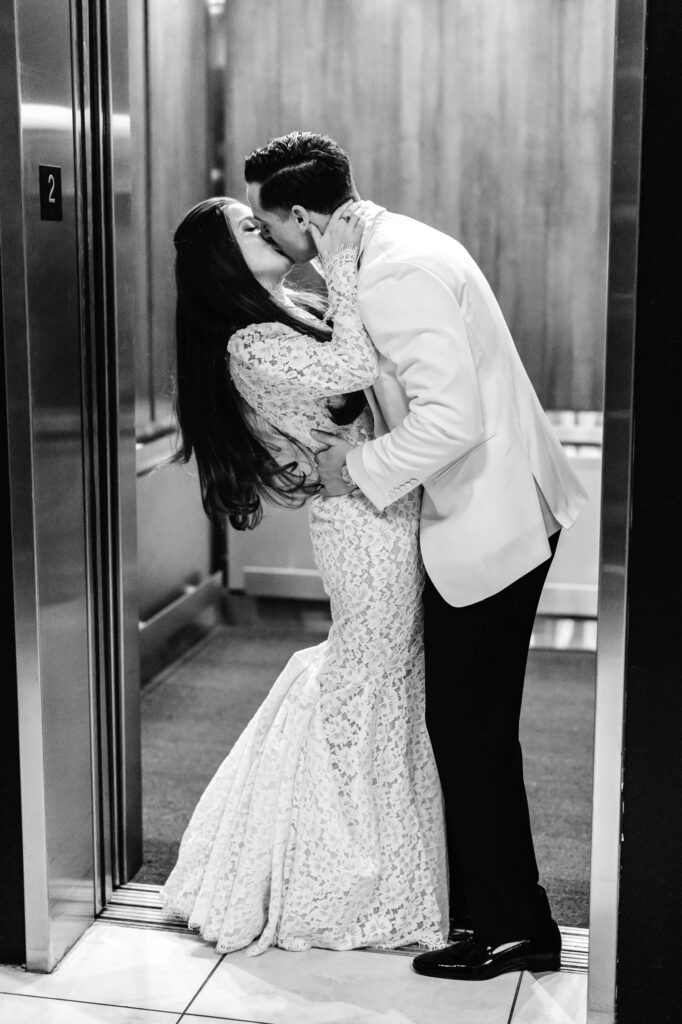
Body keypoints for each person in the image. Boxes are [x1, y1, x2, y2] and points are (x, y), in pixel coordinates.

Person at [244, 131, 588, 980]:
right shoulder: (391, 248)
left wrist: (350, 469)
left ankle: (513, 928)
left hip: (491, 520)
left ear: (299, 215)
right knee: (466, 727)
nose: (275, 246)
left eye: (269, 226)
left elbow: (452, 421)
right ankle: (492, 915)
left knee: (470, 732)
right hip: (503, 506)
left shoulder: (393, 271)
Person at [160, 195, 448, 956]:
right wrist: (344, 261)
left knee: (376, 675)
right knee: (369, 677)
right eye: (248, 229)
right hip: (362, 526)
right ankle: (339, 870)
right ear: (223, 261)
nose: (268, 229)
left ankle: (377, 856)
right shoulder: (248, 342)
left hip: (380, 505)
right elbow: (354, 364)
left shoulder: (285, 306)